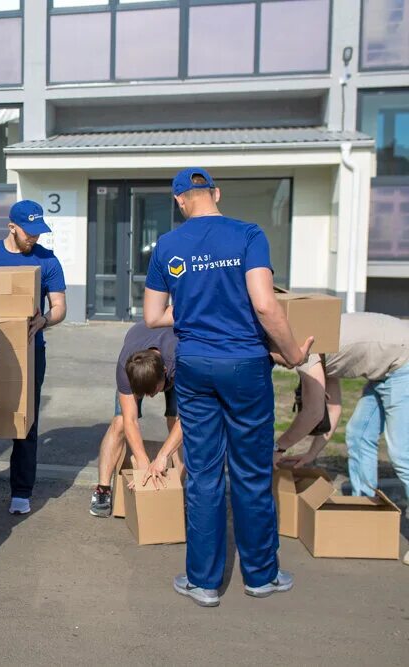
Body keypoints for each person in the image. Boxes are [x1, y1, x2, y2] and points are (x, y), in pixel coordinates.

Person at [142, 168, 312, 607]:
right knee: (252, 472)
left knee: (203, 472)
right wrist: (293, 354)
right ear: (216, 193)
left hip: (195, 365)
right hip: (245, 365)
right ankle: (261, 576)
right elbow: (264, 303)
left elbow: (154, 317)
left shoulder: (167, 245)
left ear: (180, 201)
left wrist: (199, 312)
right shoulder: (249, 234)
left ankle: (202, 581)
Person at [0, 200, 67, 515]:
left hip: (27, 351)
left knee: (25, 418)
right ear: (12, 227)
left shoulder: (47, 261)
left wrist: (45, 320)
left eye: (38, 232)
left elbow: (60, 307)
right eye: (29, 232)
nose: (34, 238)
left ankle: (21, 490)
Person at [277, 312, 409, 512]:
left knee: (402, 454)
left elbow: (313, 413)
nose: (278, 364)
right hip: (388, 365)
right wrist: (311, 454)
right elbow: (333, 409)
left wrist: (278, 448)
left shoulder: (304, 351)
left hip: (403, 361)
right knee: (359, 435)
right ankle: (365, 506)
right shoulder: (317, 344)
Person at [89, 321, 181, 517]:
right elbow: (131, 420)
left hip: (179, 364)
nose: (150, 397)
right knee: (120, 422)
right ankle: (103, 490)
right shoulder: (126, 366)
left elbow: (189, 420)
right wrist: (142, 462)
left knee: (176, 420)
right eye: (143, 393)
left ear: (165, 374)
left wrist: (161, 458)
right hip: (142, 355)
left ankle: (177, 488)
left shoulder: (180, 360)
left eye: (153, 391)